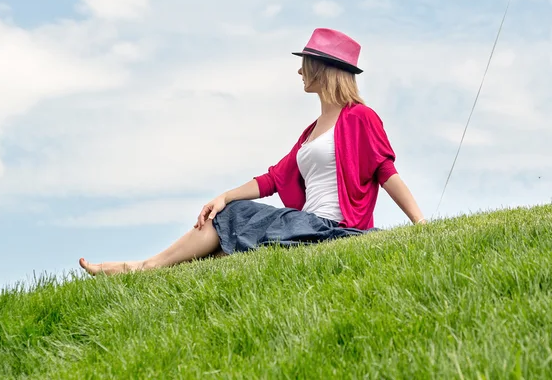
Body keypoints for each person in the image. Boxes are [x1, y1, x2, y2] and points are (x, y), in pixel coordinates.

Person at [79, 28, 425, 276]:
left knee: (233, 220)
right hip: (306, 228)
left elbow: (387, 173)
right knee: (223, 234)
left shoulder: (360, 118)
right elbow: (274, 178)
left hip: (331, 230)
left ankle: (143, 267)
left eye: (306, 62)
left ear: (323, 68)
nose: (300, 70)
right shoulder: (312, 131)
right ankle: (144, 269)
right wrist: (224, 196)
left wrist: (421, 225)